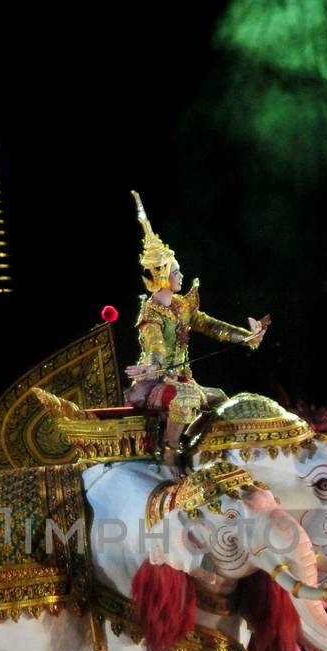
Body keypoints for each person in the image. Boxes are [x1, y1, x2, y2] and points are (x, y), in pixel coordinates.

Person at [127, 191, 269, 463]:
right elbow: (155, 345)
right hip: (155, 384)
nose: (180, 275)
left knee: (220, 399)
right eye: (175, 271)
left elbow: (212, 326)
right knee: (185, 399)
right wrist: (152, 367)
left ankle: (194, 446)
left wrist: (247, 335)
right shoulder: (151, 314)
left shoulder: (183, 306)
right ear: (162, 276)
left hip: (185, 382)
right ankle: (169, 457)